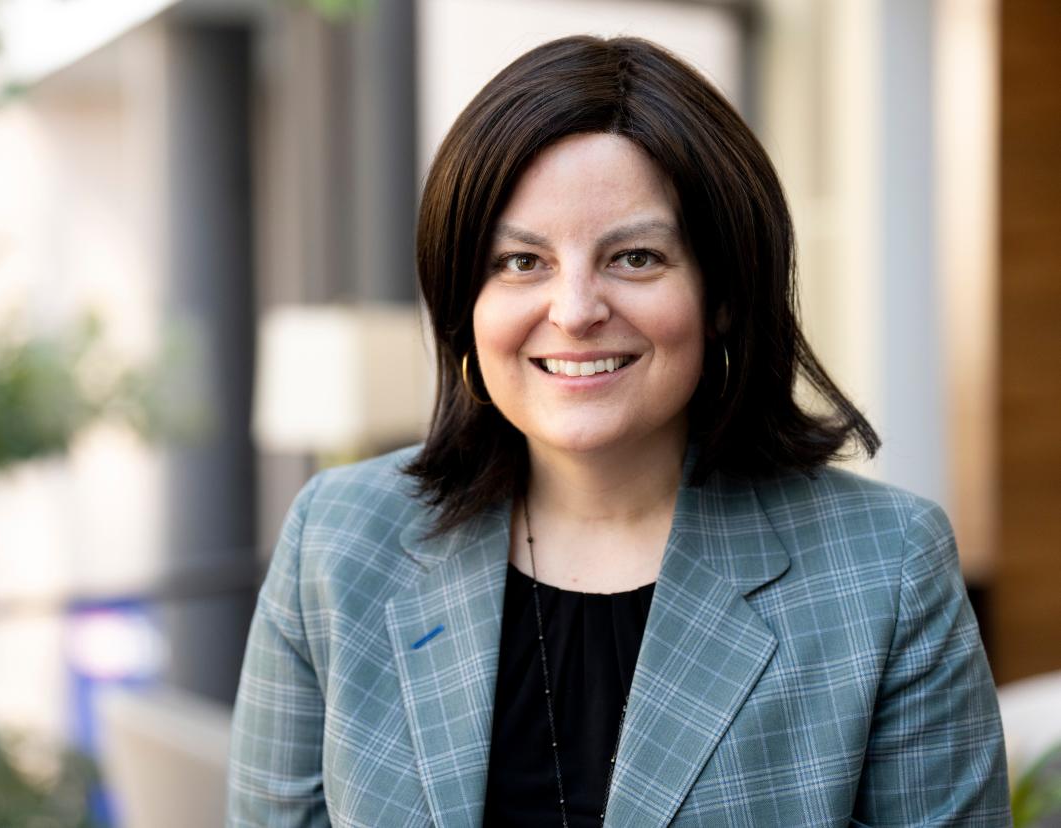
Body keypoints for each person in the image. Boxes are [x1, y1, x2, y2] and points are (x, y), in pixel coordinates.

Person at [227, 35, 1009, 827]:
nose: (574, 310)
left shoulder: (887, 571)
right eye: (520, 263)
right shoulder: (336, 544)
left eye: (634, 257)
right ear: (466, 301)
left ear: (725, 294)